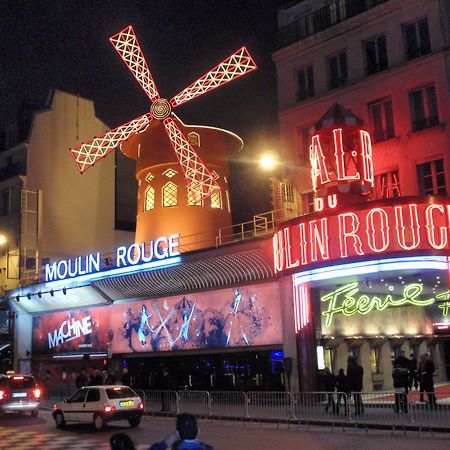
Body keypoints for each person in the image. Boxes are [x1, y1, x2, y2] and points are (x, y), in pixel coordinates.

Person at [148, 413, 214, 450]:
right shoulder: (207, 448)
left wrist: (167, 442)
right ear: (198, 431)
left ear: (177, 434)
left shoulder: (176, 447)